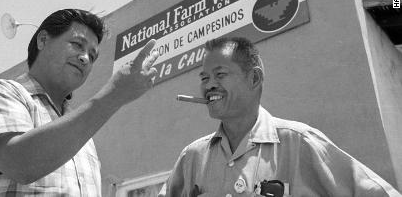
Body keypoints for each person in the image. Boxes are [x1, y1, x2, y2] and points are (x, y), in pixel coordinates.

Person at [160, 37, 401, 197]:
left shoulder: (300, 143)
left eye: (220, 74)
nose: (209, 85)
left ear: (254, 79)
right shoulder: (192, 158)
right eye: (204, 78)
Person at [0, 9, 159, 196]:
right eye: (77, 45)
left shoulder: (84, 139)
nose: (85, 58)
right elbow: (20, 164)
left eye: (92, 55)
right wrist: (114, 95)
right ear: (43, 40)